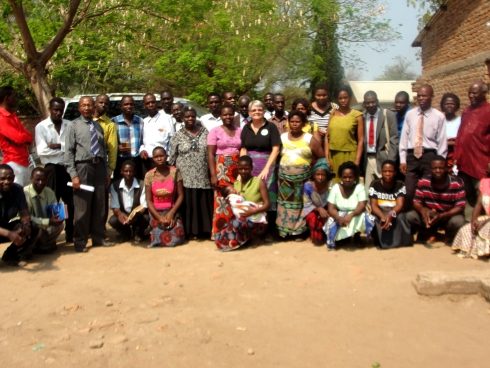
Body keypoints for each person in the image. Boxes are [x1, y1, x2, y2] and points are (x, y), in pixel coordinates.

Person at [64, 96, 114, 252]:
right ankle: (80, 241)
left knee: (100, 204)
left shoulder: (98, 127)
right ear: (79, 108)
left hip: (99, 168)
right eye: (83, 105)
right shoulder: (73, 126)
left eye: (89, 105)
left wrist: (106, 171)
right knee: (82, 206)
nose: (87, 108)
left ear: (94, 107)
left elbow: (103, 151)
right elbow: (69, 152)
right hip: (83, 168)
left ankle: (99, 237)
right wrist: (74, 174)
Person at [276, 111, 325, 238]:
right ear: (288, 123)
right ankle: (284, 231)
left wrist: (316, 176)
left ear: (303, 123)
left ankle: (300, 232)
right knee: (285, 205)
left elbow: (321, 157)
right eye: (292, 121)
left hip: (303, 179)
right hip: (284, 179)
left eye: (297, 122)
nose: (294, 124)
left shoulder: (309, 138)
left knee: (301, 205)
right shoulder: (282, 137)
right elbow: (276, 156)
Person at [399, 84, 447, 209]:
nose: (421, 98)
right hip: (412, 156)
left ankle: (427, 221)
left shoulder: (439, 117)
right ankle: (410, 220)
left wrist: (441, 162)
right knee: (409, 191)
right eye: (419, 95)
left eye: (424, 95)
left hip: (429, 157)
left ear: (432, 96)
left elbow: (442, 141)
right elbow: (404, 137)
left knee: (428, 190)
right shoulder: (410, 115)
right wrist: (403, 159)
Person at [169, 106, 213, 239]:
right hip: (185, 177)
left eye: (193, 116)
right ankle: (190, 232)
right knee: (189, 204)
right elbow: (172, 157)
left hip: (203, 176)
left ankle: (205, 231)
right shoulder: (177, 135)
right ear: (182, 118)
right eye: (187, 116)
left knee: (203, 203)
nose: (190, 119)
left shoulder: (206, 132)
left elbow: (211, 152)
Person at [240, 100, 281, 242]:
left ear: (263, 111)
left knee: (268, 197)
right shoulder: (246, 128)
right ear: (249, 113)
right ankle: (252, 229)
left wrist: (267, 168)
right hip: (250, 167)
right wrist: (242, 170)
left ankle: (269, 231)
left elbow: (276, 148)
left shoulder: (271, 127)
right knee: (251, 195)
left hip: (267, 166)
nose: (256, 112)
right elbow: (244, 148)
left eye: (259, 109)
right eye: (253, 110)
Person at [35, 97, 74, 242]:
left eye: (60, 110)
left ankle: (71, 232)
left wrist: (58, 146)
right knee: (53, 201)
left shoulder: (69, 125)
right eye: (55, 110)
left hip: (68, 168)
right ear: (50, 109)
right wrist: (65, 149)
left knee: (70, 201)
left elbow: (72, 148)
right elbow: (42, 152)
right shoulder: (41, 127)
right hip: (51, 169)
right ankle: (51, 235)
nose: (58, 113)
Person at [406, 156, 466, 245]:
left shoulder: (457, 182)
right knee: (410, 216)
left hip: (448, 215)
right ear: (430, 169)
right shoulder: (424, 180)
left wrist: (442, 216)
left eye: (441, 168)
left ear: (446, 169)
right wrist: (423, 211)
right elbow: (416, 201)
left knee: (459, 221)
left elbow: (460, 206)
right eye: (435, 168)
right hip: (430, 215)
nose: (438, 170)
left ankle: (449, 235)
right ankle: (430, 233)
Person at [215, 155, 270, 251]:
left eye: (246, 169)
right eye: (241, 169)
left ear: (251, 168)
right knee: (222, 232)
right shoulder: (236, 185)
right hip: (243, 218)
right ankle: (243, 238)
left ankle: (254, 236)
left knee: (236, 224)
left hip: (257, 219)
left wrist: (252, 212)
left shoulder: (259, 182)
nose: (243, 171)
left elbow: (267, 204)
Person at [454, 81, 490, 221]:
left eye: (475, 93)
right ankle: (469, 225)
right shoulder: (466, 111)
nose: (471, 96)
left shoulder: (488, 111)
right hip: (465, 162)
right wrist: (457, 156)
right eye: (470, 93)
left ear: (484, 93)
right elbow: (461, 134)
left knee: (482, 194)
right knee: (467, 195)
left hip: (481, 161)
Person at [207, 104, 241, 237]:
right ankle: (220, 232)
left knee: (236, 197)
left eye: (230, 114)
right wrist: (213, 175)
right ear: (220, 116)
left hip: (237, 168)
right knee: (222, 199)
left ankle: (236, 231)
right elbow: (210, 154)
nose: (228, 116)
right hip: (221, 168)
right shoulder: (214, 131)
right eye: (225, 114)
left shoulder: (239, 131)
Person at [325, 162, 375, 249]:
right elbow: (331, 208)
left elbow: (362, 205)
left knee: (364, 217)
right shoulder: (335, 188)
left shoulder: (360, 187)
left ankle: (356, 236)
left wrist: (350, 215)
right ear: (341, 177)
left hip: (355, 214)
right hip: (339, 215)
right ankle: (345, 237)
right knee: (332, 224)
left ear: (355, 177)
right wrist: (338, 218)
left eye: (350, 177)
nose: (347, 179)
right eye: (345, 177)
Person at [0, 164, 40, 267]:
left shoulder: (17, 190)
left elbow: (25, 213)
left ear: (14, 178)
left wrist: (26, 225)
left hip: (3, 227)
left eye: (10, 178)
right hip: (3, 231)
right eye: (2, 178)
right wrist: (9, 234)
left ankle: (10, 255)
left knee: (32, 227)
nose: (7, 182)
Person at [145, 147, 185, 247]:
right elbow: (149, 200)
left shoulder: (175, 172)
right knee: (159, 239)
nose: (159, 159)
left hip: (171, 209)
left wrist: (172, 212)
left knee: (177, 237)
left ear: (166, 157)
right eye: (156, 157)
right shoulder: (149, 175)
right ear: (152, 159)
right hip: (156, 211)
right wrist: (158, 217)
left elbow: (181, 195)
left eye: (162, 156)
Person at [369, 160, 413, 249]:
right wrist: (382, 216)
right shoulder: (374, 184)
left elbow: (400, 205)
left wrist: (390, 215)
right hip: (380, 211)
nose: (387, 174)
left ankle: (400, 241)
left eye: (390, 171)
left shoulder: (400, 185)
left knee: (401, 217)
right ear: (381, 172)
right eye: (385, 171)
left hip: (394, 212)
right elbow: (373, 206)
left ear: (395, 172)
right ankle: (380, 240)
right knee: (375, 218)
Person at [325, 85, 364, 182]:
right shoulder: (332, 114)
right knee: (335, 186)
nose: (343, 100)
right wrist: (327, 158)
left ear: (350, 97)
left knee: (349, 185)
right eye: (340, 98)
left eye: (345, 97)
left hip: (350, 155)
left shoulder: (357, 115)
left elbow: (361, 140)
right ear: (336, 99)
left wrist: (357, 162)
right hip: (334, 156)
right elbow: (327, 138)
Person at [362, 90, 399, 191]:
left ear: (377, 101)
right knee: (368, 190)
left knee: (385, 188)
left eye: (373, 102)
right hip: (368, 159)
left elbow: (394, 140)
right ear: (364, 104)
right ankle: (370, 207)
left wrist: (390, 161)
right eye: (368, 103)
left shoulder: (388, 115)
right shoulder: (362, 117)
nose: (371, 105)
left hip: (384, 157)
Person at [24, 167, 64, 254]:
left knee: (60, 226)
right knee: (33, 228)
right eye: (37, 180)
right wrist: (48, 221)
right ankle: (28, 250)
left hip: (46, 225)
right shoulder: (24, 193)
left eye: (43, 180)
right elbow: (26, 217)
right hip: (32, 225)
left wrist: (59, 217)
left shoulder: (50, 192)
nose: (40, 182)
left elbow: (55, 211)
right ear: (31, 179)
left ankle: (41, 246)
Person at [109, 160, 149, 243]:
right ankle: (125, 232)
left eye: (131, 171)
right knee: (113, 220)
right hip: (123, 214)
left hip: (137, 215)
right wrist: (120, 214)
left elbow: (144, 206)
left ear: (135, 172)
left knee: (146, 218)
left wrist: (133, 217)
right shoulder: (115, 185)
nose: (128, 173)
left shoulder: (141, 184)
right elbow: (115, 206)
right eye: (126, 171)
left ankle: (138, 233)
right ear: (121, 172)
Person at [0, 86, 33, 186]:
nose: (17, 100)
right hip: (13, 163)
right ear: (6, 98)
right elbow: (19, 138)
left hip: (24, 162)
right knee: (15, 197)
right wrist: (22, 139)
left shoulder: (13, 116)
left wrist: (22, 139)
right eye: (14, 97)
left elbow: (29, 137)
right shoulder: (1, 117)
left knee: (25, 198)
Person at [452, 178, 490, 259]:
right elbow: (478, 205)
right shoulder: (485, 183)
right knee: (467, 229)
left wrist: (484, 221)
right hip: (487, 218)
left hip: (488, 220)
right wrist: (473, 221)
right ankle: (477, 250)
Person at [140, 93, 174, 174]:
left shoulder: (167, 118)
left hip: (163, 162)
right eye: (148, 103)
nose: (151, 105)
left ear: (157, 103)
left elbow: (172, 140)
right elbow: (141, 142)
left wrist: (169, 159)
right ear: (144, 105)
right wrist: (142, 150)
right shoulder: (143, 121)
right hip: (148, 162)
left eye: (153, 102)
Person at [112, 96, 144, 181]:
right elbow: (109, 143)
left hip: (136, 160)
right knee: (119, 186)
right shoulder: (114, 121)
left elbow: (144, 140)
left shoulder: (140, 121)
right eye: (126, 104)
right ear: (121, 106)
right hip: (120, 160)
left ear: (134, 106)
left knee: (137, 186)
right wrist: (117, 148)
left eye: (131, 104)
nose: (128, 106)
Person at [303, 159, 331, 245]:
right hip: (313, 209)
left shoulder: (332, 186)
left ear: (327, 176)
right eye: (318, 174)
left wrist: (327, 211)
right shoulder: (308, 186)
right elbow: (307, 204)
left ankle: (328, 234)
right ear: (314, 175)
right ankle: (314, 234)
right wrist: (319, 209)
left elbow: (335, 203)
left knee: (329, 217)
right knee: (313, 217)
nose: (320, 177)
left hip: (328, 209)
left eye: (323, 175)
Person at [93, 94, 117, 176]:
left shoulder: (110, 124)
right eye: (101, 102)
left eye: (106, 103)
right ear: (95, 103)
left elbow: (112, 149)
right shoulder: (86, 120)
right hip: (84, 163)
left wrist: (110, 170)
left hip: (101, 164)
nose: (103, 105)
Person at [440, 93, 461, 175]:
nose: (449, 106)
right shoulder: (439, 120)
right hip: (441, 156)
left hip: (455, 156)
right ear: (442, 105)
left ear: (457, 106)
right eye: (446, 104)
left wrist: (444, 142)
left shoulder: (461, 121)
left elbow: (462, 141)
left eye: (452, 104)